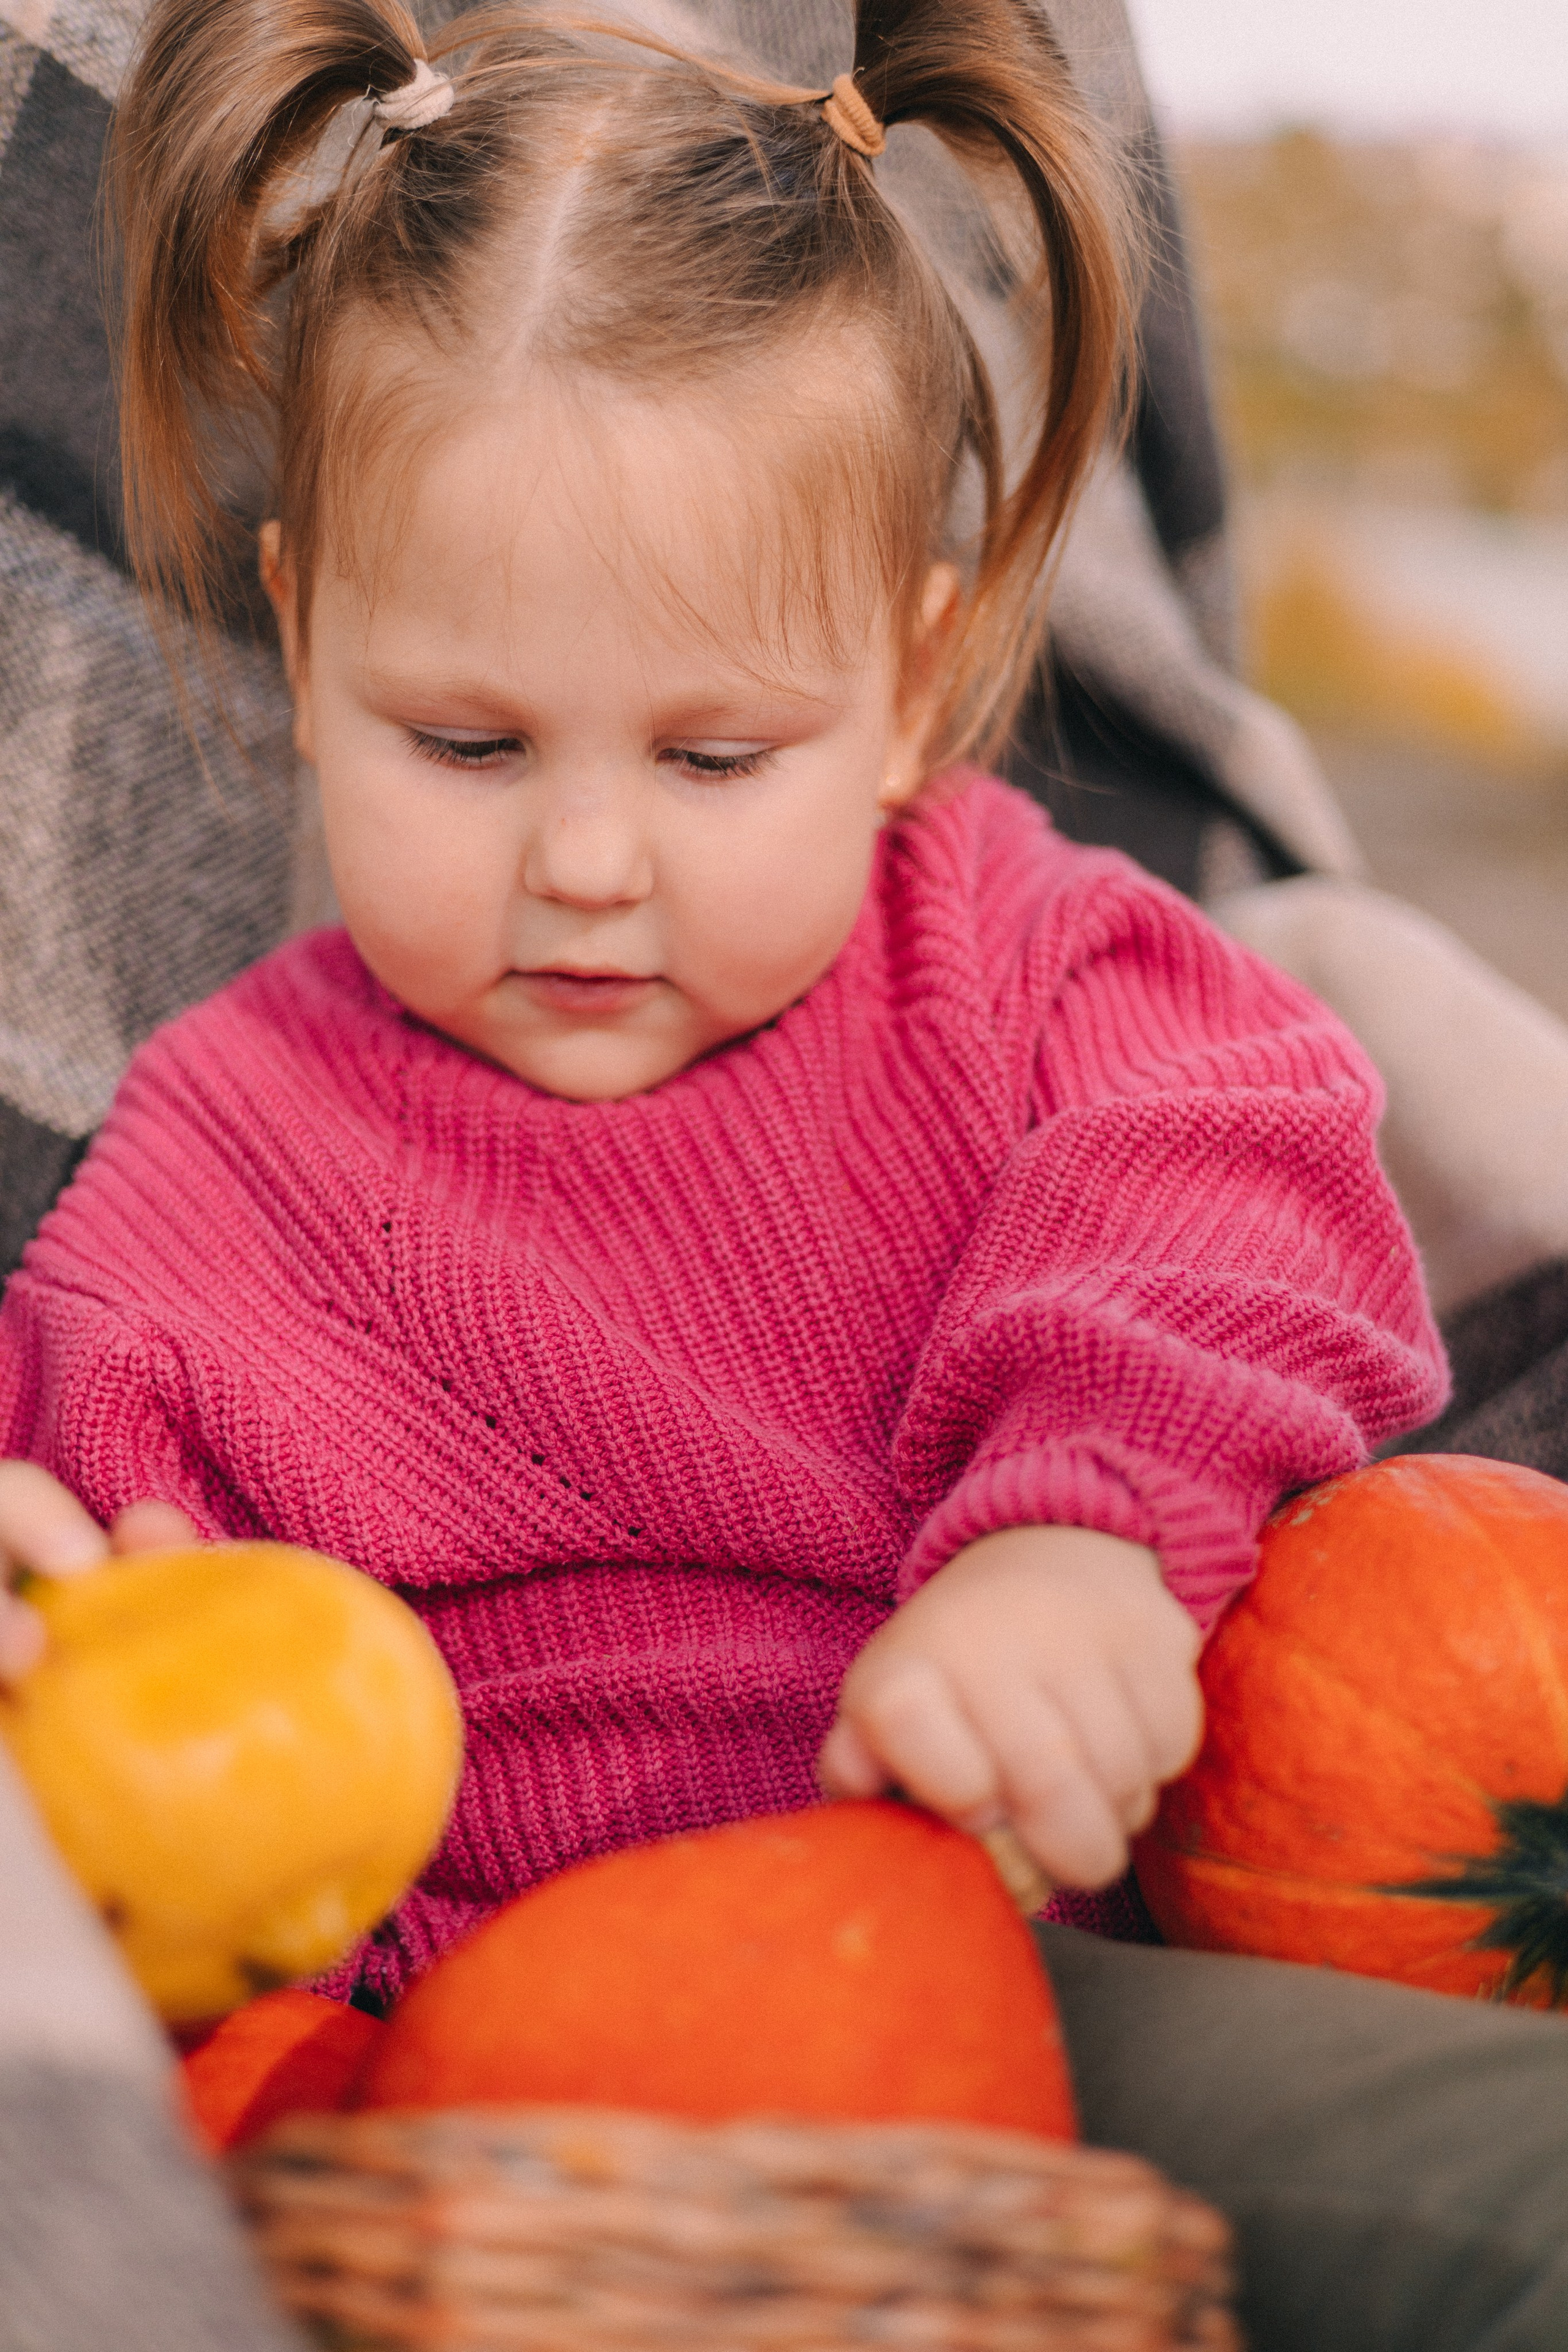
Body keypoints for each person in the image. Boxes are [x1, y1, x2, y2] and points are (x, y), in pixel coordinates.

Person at [2, 4, 1568, 2346]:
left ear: (914, 684)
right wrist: (63, 1599)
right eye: (468, 742)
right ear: (309, 636)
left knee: (1506, 2196)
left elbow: (1226, 1192)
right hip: (485, 2100)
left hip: (1025, 1970)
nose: (594, 860)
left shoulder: (1018, 955)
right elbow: (99, 1564)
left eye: (721, 754)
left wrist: (1082, 1539)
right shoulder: (218, 1157)